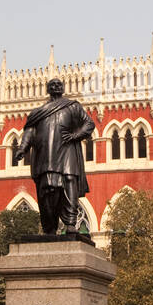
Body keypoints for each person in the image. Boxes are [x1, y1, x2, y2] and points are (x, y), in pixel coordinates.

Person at [14, 78, 96, 235]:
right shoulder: (38, 113)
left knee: (69, 183)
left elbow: (89, 124)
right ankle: (50, 227)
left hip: (68, 153)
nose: (56, 86)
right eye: (53, 85)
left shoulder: (73, 107)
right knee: (47, 190)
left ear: (63, 88)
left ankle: (70, 224)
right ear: (47, 89)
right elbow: (29, 132)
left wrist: (76, 135)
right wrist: (22, 148)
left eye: (59, 84)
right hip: (46, 156)